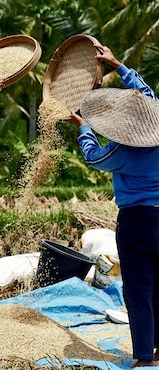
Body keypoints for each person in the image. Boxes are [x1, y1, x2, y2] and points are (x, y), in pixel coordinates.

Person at [68, 44, 159, 368]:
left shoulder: (122, 151)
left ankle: (144, 357)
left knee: (138, 288)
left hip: (137, 221)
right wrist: (119, 66)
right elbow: (145, 94)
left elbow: (94, 157)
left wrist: (83, 128)